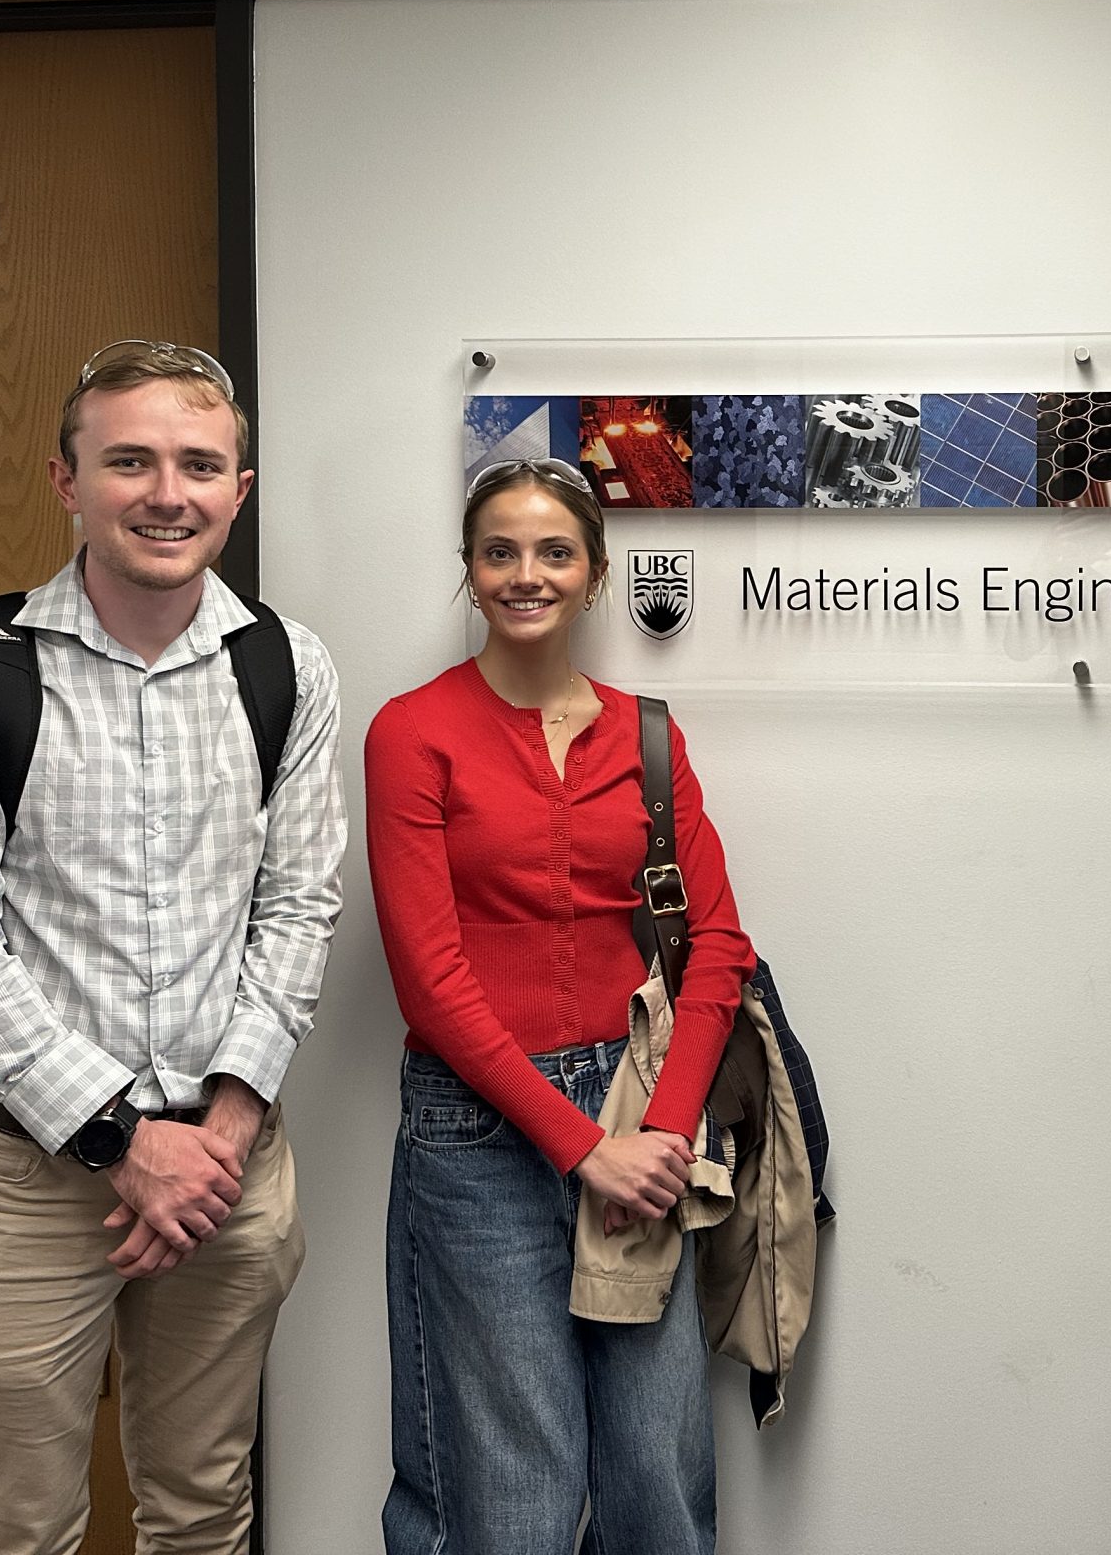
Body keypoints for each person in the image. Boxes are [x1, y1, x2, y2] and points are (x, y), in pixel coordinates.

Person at [0, 340, 345, 1555]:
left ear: (238, 491)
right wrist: (122, 1143)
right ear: (67, 481)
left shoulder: (286, 667)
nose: (167, 493)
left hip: (228, 1172)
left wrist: (218, 1143)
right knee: (10, 1529)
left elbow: (300, 908)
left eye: (200, 465)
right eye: (129, 460)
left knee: (202, 1514)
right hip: (29, 1182)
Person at [365, 456, 758, 1555]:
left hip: (640, 1112)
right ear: (469, 570)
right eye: (499, 552)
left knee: (658, 1473)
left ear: (593, 576)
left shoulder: (648, 736)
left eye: (552, 552)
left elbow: (718, 946)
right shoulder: (414, 732)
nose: (523, 574)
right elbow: (430, 983)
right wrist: (584, 1151)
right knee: (514, 1488)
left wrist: (664, 1133)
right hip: (477, 1132)